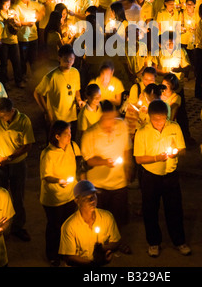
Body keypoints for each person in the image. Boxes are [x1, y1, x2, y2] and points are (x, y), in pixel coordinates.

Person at [134, 99, 191, 258]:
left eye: (163, 119)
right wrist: (157, 158)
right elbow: (139, 158)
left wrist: (175, 153)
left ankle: (179, 241)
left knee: (174, 209)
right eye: (156, 120)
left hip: (171, 175)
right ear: (150, 117)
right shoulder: (142, 132)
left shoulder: (174, 127)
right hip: (150, 177)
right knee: (150, 210)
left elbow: (183, 150)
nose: (160, 123)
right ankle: (153, 242)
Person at [0, 97, 35, 242]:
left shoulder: (24, 121)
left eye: (4, 115)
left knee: (18, 197)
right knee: (0, 196)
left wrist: (10, 158)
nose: (1, 118)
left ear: (12, 111)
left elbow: (27, 146)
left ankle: (18, 227)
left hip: (17, 164)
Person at [81, 99, 133, 228]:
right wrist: (105, 162)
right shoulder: (90, 134)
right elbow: (88, 160)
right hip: (99, 184)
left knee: (119, 219)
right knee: (100, 220)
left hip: (119, 183)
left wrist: (128, 168)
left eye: (113, 117)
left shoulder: (122, 125)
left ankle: (117, 242)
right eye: (108, 118)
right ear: (101, 117)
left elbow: (127, 149)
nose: (111, 122)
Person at [40, 120, 81, 266]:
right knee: (55, 227)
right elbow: (46, 176)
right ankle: (52, 254)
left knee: (67, 226)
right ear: (57, 136)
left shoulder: (73, 147)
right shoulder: (48, 153)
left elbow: (80, 163)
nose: (70, 136)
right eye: (66, 134)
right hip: (54, 199)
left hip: (70, 195)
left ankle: (65, 252)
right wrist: (59, 180)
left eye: (70, 133)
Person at [58, 180, 121, 266]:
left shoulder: (107, 217)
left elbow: (116, 241)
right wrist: (93, 264)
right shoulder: (69, 226)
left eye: (93, 196)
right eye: (86, 198)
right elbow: (69, 257)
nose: (92, 201)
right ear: (77, 201)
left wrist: (103, 248)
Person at [34, 44, 84, 142]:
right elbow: (37, 93)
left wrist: (79, 100)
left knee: (70, 140)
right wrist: (46, 111)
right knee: (56, 142)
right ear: (59, 58)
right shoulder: (51, 77)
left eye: (72, 59)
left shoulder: (75, 73)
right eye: (66, 59)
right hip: (56, 118)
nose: (69, 62)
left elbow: (76, 90)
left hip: (71, 115)